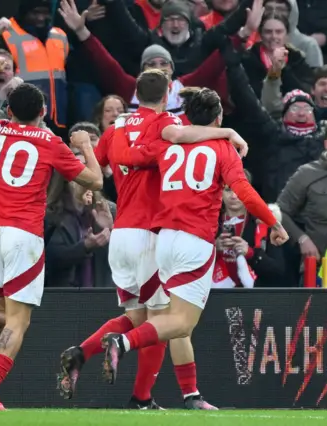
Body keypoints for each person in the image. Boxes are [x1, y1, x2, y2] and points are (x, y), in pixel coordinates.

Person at [58, 70, 246, 410]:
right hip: (151, 233)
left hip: (122, 235)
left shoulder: (116, 128)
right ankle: (144, 398)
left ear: (134, 92)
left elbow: (93, 173)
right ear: (168, 93)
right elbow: (186, 133)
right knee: (164, 323)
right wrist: (229, 131)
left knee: (140, 319)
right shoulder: (164, 124)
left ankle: (81, 354)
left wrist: (85, 187)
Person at [99, 87, 289, 398]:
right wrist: (273, 222)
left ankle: (191, 395)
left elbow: (127, 157)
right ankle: (123, 342)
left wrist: (119, 129)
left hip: (164, 240)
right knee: (181, 323)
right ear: (218, 117)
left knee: (173, 317)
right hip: (195, 239)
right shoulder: (222, 148)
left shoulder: (167, 144)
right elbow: (243, 190)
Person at [0, 54, 104, 410]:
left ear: (7, 112)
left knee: (2, 311)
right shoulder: (51, 143)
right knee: (19, 320)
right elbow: (95, 180)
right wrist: (85, 145)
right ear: (44, 111)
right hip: (24, 235)